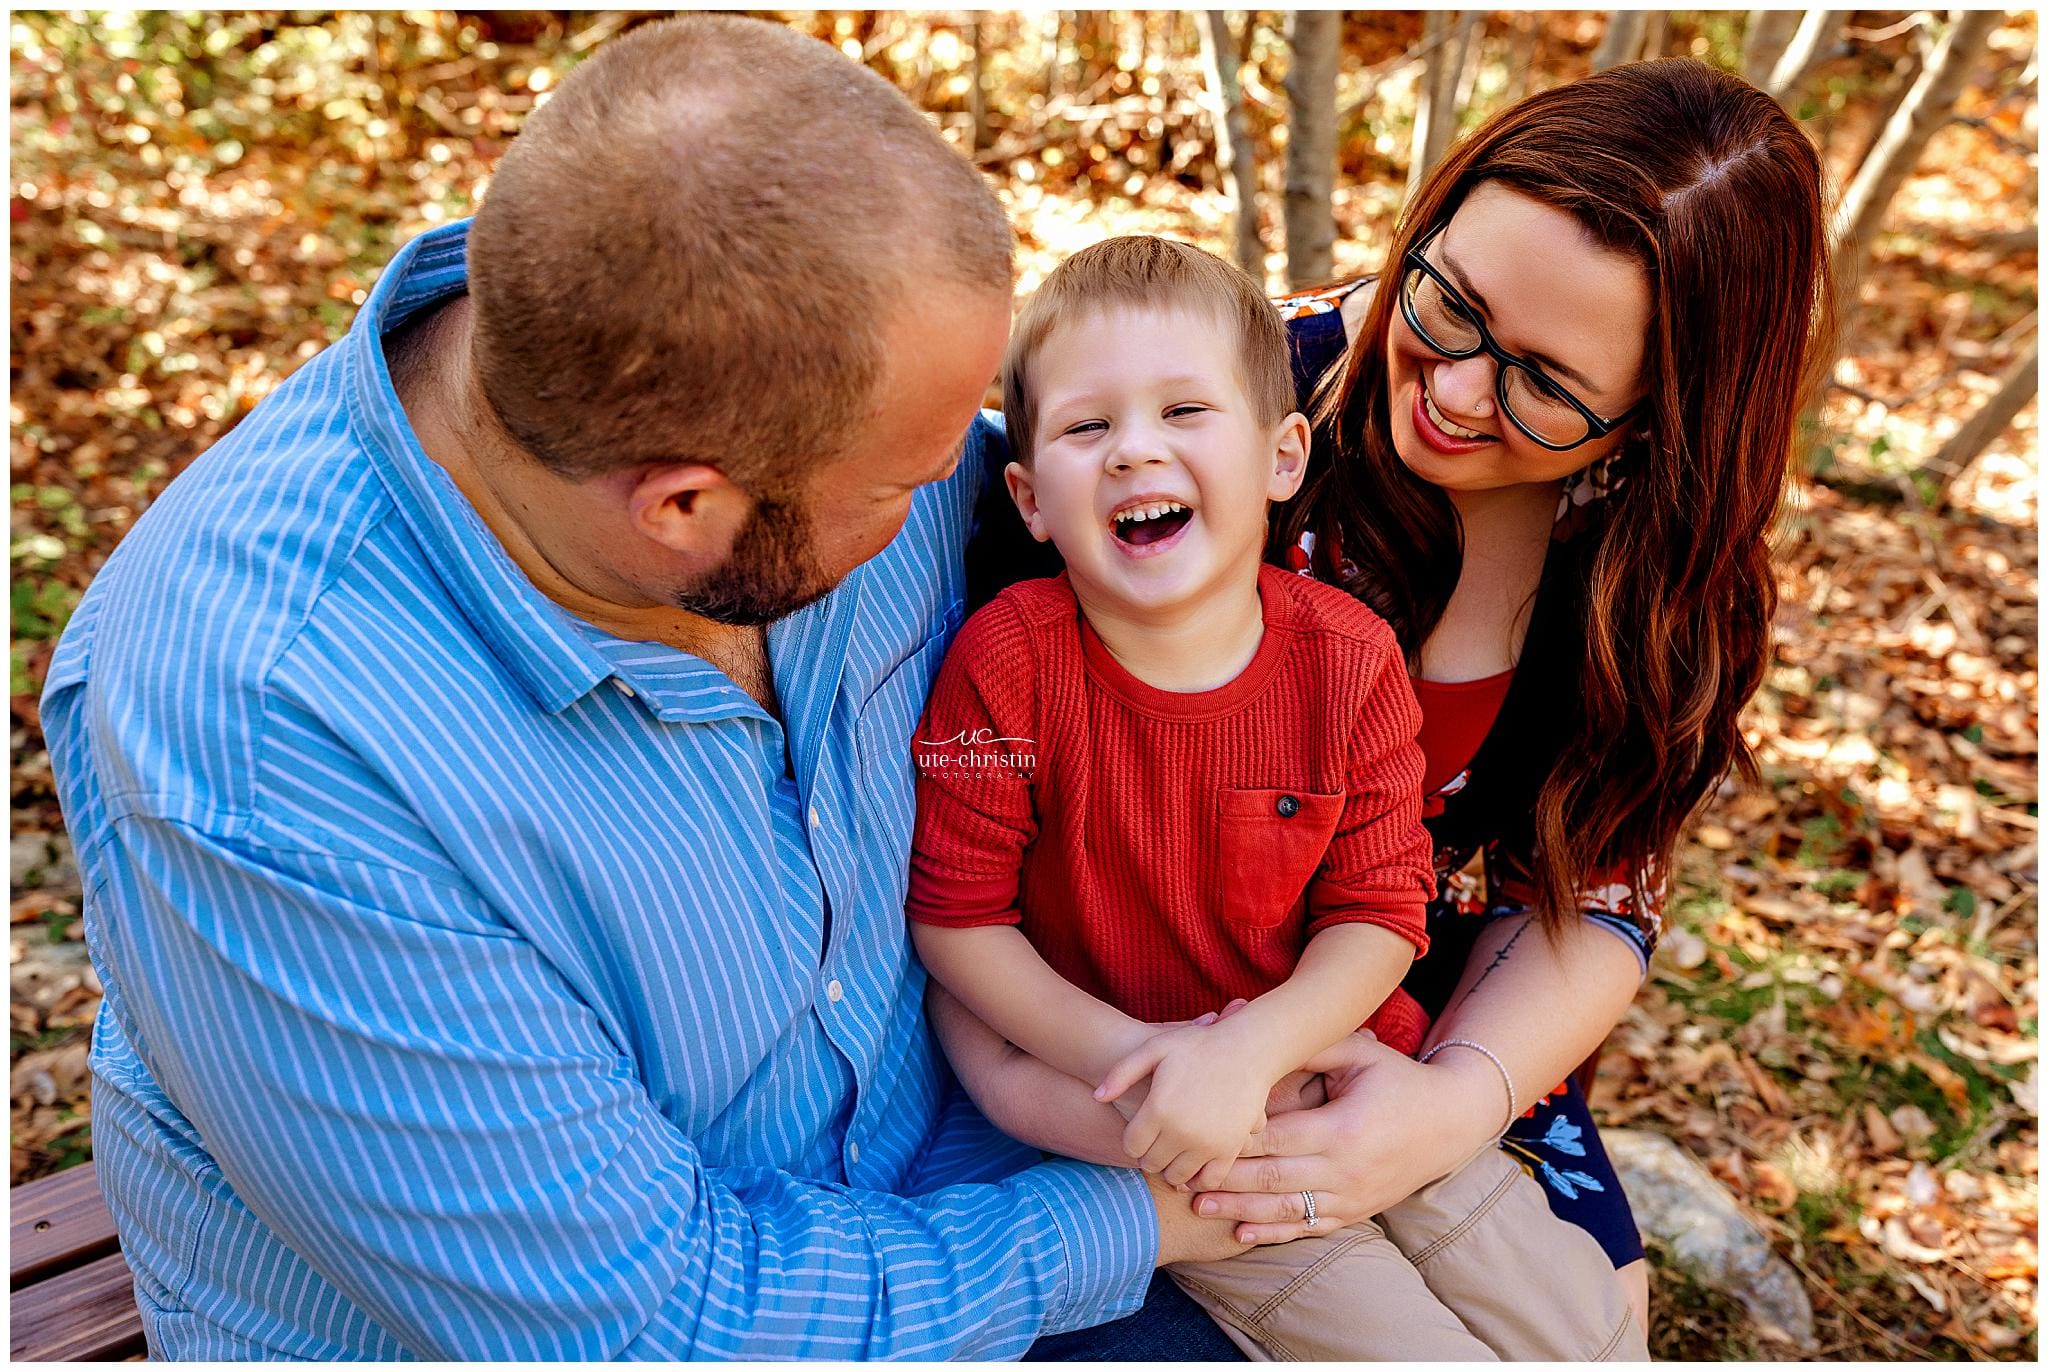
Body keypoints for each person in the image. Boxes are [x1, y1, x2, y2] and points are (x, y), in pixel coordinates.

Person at [39, 17, 1250, 1359]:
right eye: (913, 482)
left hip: (963, 1170)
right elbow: (655, 1323)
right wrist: (1141, 1217)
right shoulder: (267, 750)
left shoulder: (736, 373)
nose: (970, 487)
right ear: (681, 506)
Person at [950, 56, 1834, 1342]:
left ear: (1658, 416)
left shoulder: (1659, 583)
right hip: (1146, 1009)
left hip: (1432, 1021)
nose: (1457, 387)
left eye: (1543, 381)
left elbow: (1593, 887)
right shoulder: (1227, 406)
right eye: (1449, 299)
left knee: (1595, 1325)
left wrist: (1449, 1107)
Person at [907, 234, 1646, 1360]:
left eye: (1183, 413)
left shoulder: (1346, 659)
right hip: (1156, 1120)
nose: (1132, 450)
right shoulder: (1004, 662)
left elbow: (1379, 910)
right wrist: (1156, 1076)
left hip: (1352, 1067)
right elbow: (958, 918)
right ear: (1028, 495)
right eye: (1086, 426)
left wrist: (1252, 1053)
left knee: (1584, 1330)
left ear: (1282, 456)